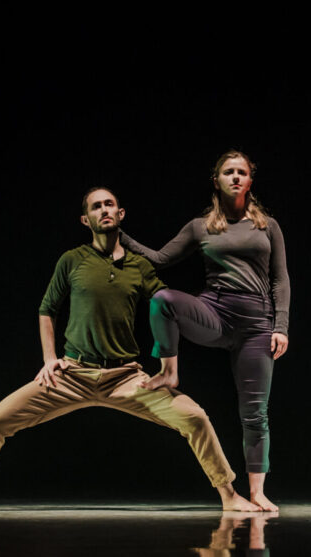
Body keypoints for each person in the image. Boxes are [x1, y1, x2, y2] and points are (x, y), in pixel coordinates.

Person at [0, 187, 260, 512]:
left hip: (126, 377)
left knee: (195, 418)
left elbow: (167, 308)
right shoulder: (72, 260)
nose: (104, 210)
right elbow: (47, 309)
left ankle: (229, 496)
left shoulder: (139, 266)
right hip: (72, 374)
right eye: (96, 206)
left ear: (120, 214)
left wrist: (200, 336)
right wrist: (49, 359)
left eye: (109, 204)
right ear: (86, 220)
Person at [120, 151, 289, 512]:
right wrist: (119, 236)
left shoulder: (268, 226)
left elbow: (280, 279)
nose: (235, 177)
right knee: (163, 301)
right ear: (216, 181)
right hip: (215, 313)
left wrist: (281, 327)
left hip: (257, 325)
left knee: (255, 412)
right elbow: (161, 259)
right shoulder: (201, 226)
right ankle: (169, 371)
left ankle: (257, 492)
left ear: (250, 181)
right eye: (228, 172)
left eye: (241, 172)